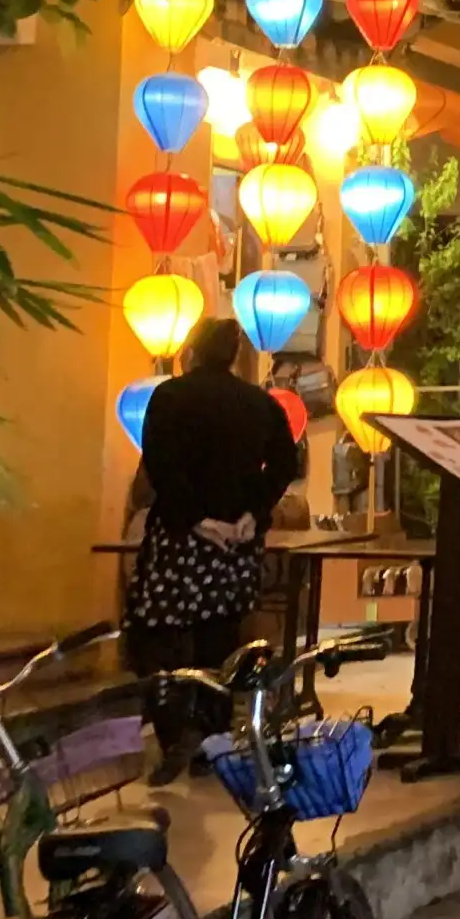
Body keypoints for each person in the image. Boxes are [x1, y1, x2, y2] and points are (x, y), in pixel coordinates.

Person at [128, 318, 298, 781]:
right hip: (236, 544)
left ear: (195, 351)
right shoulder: (260, 404)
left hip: (181, 538)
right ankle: (212, 739)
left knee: (154, 634)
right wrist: (250, 515)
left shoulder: (170, 397)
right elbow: (287, 463)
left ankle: (174, 729)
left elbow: (161, 464)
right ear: (235, 356)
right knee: (219, 640)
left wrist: (198, 520)